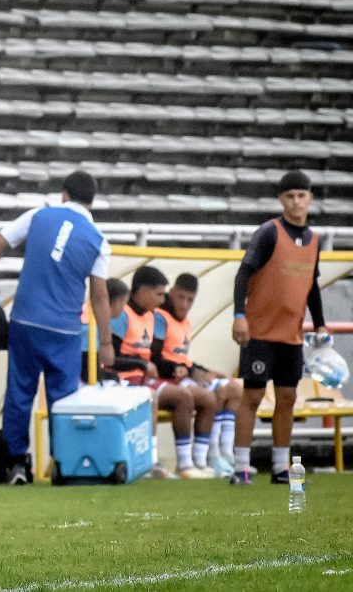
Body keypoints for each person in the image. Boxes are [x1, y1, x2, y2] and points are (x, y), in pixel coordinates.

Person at [0, 170, 114, 486]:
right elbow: (99, 295)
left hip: (26, 322)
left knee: (20, 392)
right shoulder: (98, 240)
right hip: (65, 330)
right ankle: (64, 465)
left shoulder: (40, 215)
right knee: (63, 399)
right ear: (91, 202)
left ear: (64, 194)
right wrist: (105, 342)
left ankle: (17, 465)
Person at [230, 170, 329, 485]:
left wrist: (321, 324)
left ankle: (279, 467)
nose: (296, 202)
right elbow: (243, 274)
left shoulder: (313, 240)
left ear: (310, 198)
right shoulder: (269, 232)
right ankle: (241, 467)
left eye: (301, 195)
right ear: (281, 199)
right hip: (259, 331)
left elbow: (311, 286)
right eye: (290, 196)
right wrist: (238, 315)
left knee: (287, 396)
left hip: (291, 334)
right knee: (253, 396)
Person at [115, 266, 216, 479]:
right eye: (159, 294)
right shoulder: (122, 314)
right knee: (176, 396)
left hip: (144, 379)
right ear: (142, 291)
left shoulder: (151, 316)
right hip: (123, 381)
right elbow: (110, 358)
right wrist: (143, 365)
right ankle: (152, 462)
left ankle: (194, 461)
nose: (163, 300)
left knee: (205, 397)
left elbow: (153, 356)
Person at [152, 273, 243, 477]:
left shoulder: (185, 322)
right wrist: (192, 372)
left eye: (190, 299)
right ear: (172, 292)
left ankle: (224, 453)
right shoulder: (160, 317)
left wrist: (206, 371)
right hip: (168, 377)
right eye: (181, 297)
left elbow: (182, 358)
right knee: (214, 393)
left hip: (182, 374)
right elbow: (156, 357)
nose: (184, 304)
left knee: (234, 389)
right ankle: (201, 459)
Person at [79, 277, 130, 383]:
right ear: (117, 302)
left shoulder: (95, 322)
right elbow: (87, 372)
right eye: (124, 303)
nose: (124, 309)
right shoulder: (89, 327)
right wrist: (113, 377)